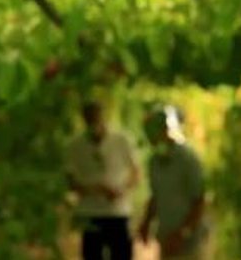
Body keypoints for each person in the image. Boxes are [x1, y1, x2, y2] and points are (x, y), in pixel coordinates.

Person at [66, 101, 141, 260]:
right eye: (89, 119)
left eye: (96, 118)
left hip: (118, 212)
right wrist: (94, 189)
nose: (94, 123)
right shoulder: (75, 145)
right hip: (90, 212)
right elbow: (71, 181)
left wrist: (121, 191)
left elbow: (136, 173)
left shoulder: (122, 140)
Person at [138, 105, 208, 259]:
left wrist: (182, 234)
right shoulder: (154, 162)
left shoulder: (187, 159)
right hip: (166, 238)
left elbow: (199, 201)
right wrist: (146, 223)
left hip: (190, 241)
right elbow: (156, 196)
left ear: (164, 130)